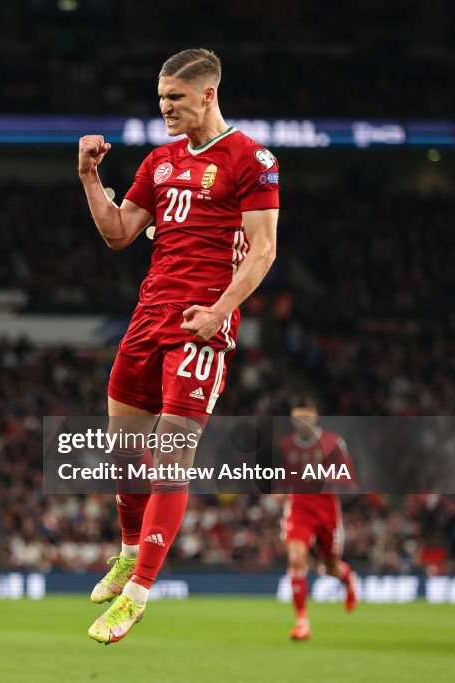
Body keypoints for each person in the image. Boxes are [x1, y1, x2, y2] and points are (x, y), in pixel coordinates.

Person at [78, 48, 280, 644]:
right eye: (161, 98)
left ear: (208, 95)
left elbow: (264, 250)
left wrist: (220, 311)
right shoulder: (159, 161)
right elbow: (118, 233)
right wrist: (90, 178)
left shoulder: (252, 159)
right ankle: (128, 550)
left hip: (202, 323)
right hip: (148, 315)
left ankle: (138, 592)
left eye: (176, 99)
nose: (165, 108)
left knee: (169, 457)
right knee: (121, 448)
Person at [278, 397, 358, 641]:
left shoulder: (333, 443)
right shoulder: (284, 445)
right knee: (296, 558)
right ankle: (302, 623)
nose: (301, 422)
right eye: (296, 417)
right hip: (299, 508)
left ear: (316, 417)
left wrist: (321, 474)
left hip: (326, 511)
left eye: (305, 416)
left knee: (331, 566)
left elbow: (349, 480)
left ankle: (347, 577)